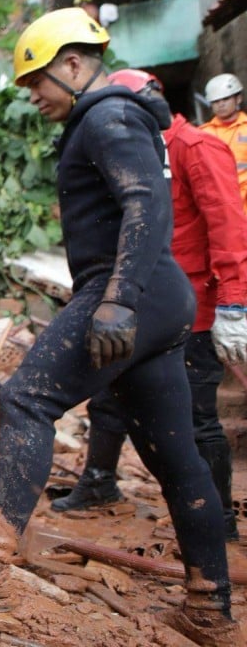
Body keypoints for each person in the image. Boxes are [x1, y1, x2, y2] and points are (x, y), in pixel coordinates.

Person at [0, 8, 241, 646]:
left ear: (74, 64)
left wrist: (117, 301)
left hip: (127, 291)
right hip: (158, 300)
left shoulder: (106, 117)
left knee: (25, 398)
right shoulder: (117, 116)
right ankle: (208, 608)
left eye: (37, 81)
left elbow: (144, 202)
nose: (33, 96)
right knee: (174, 455)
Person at [51, 70, 247, 546]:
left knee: (198, 420)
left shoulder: (196, 149)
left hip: (191, 307)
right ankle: (99, 480)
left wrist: (234, 304)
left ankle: (219, 524)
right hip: (139, 301)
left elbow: (227, 227)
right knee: (108, 395)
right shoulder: (134, 148)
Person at [199, 73, 247, 208]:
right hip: (222, 205)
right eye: (215, 101)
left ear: (238, 99)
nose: (220, 104)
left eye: (225, 99)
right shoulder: (203, 134)